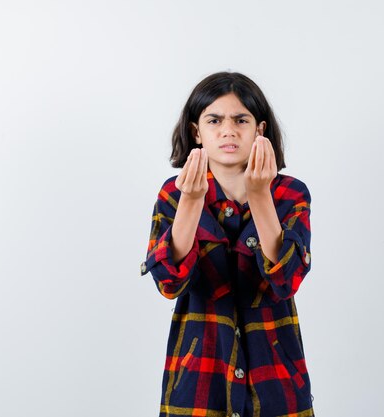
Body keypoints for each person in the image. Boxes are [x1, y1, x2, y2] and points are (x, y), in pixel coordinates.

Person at [140, 71, 314, 417]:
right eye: (214, 120)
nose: (228, 130)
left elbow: (286, 280)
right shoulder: (173, 194)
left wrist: (259, 195)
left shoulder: (290, 193)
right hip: (199, 376)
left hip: (275, 376)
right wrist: (191, 202)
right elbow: (170, 283)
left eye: (240, 119)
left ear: (259, 130)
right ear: (197, 132)